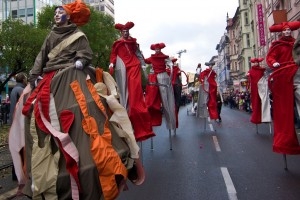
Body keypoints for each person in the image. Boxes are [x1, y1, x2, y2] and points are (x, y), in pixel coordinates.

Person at [18, 2, 143, 199]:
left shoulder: (79, 36)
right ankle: (39, 170)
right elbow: (41, 57)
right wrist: (35, 77)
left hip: (73, 74)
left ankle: (104, 161)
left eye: (61, 12)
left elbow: (85, 52)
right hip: (50, 78)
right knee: (32, 113)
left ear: (68, 16)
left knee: (89, 106)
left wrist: (82, 59)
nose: (57, 14)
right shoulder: (51, 35)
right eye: (56, 12)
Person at [109, 21, 155, 142]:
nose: (125, 33)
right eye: (123, 31)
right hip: (123, 68)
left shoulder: (133, 42)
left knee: (135, 92)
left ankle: (138, 113)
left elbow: (138, 54)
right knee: (124, 92)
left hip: (134, 66)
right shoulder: (117, 43)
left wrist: (144, 65)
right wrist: (111, 63)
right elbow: (113, 55)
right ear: (121, 32)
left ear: (129, 32)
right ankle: (127, 113)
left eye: (127, 31)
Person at [266, 21, 300, 155]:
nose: (287, 32)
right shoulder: (278, 45)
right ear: (281, 32)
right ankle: (285, 141)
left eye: (288, 30)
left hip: (296, 74)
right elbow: (270, 57)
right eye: (285, 30)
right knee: (284, 109)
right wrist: (274, 63)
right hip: (283, 77)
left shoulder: (295, 44)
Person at [144, 43, 176, 131]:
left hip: (163, 77)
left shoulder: (164, 57)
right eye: (155, 49)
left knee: (166, 100)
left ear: (160, 49)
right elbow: (144, 61)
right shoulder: (152, 58)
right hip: (155, 78)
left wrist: (170, 76)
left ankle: (171, 123)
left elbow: (171, 65)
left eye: (158, 49)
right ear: (154, 50)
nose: (157, 50)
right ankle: (153, 120)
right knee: (152, 99)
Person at [247, 58, 265, 124]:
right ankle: (256, 117)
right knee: (256, 101)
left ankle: (264, 116)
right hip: (255, 88)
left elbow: (264, 77)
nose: (256, 63)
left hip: (261, 87)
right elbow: (249, 79)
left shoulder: (261, 70)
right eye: (255, 62)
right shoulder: (251, 71)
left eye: (257, 62)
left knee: (263, 101)